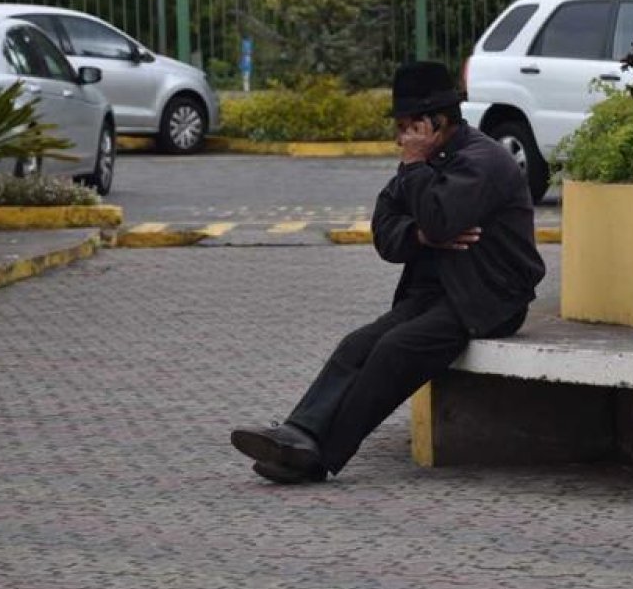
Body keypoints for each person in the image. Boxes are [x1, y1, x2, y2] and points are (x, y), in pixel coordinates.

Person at [230, 61, 546, 484]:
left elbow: (440, 220)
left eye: (405, 128)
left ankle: (319, 456)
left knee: (395, 349)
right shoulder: (426, 161)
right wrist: (419, 235)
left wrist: (421, 191)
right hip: (435, 293)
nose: (400, 140)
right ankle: (299, 431)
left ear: (434, 122)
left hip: (488, 297)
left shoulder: (480, 162)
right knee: (357, 345)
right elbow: (386, 227)